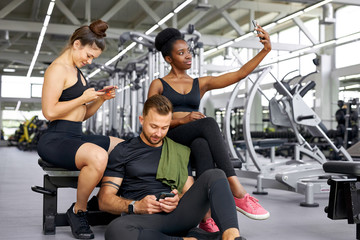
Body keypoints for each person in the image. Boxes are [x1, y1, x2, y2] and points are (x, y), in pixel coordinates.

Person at [148, 25, 272, 230]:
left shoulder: (200, 83)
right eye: (181, 53)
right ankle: (237, 191)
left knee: (202, 145)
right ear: (169, 59)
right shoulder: (159, 84)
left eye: (188, 51)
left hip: (193, 136)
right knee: (209, 122)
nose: (188, 56)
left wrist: (265, 50)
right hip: (170, 135)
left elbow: (240, 74)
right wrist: (182, 120)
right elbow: (150, 122)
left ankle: (206, 218)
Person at [98, 95, 244, 240]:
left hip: (179, 215)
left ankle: (231, 236)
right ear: (141, 120)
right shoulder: (123, 151)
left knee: (215, 174)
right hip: (146, 218)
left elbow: (188, 192)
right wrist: (135, 206)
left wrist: (176, 199)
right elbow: (104, 200)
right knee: (116, 230)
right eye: (153, 126)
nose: (158, 133)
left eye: (164, 128)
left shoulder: (178, 151)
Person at [37, 19, 123, 239]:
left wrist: (101, 99)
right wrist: (83, 98)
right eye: (88, 55)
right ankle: (79, 210)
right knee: (98, 156)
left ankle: (102, 201)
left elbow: (82, 114)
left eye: (93, 58)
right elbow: (49, 111)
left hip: (75, 135)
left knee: (125, 148)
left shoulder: (78, 72)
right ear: (77, 44)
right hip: (56, 139)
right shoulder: (57, 69)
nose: (89, 60)